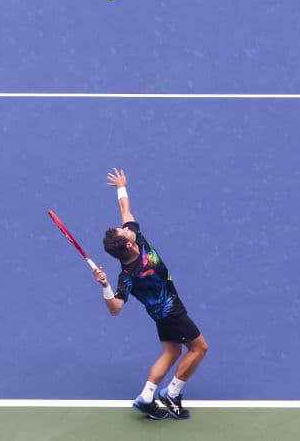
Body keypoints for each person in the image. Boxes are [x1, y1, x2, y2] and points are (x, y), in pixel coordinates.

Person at [92, 167, 208, 420]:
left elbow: (125, 211)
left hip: (158, 314)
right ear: (129, 244)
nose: (127, 227)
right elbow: (115, 309)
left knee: (172, 352)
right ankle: (172, 393)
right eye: (124, 231)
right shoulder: (128, 275)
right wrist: (105, 286)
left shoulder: (135, 239)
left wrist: (121, 187)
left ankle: (146, 397)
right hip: (171, 311)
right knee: (199, 348)